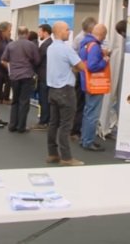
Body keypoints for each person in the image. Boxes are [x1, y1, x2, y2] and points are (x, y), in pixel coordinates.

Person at [46, 22, 85, 166]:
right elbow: (81, 66)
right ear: (58, 32)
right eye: (67, 29)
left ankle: (52, 154)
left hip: (53, 91)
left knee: (53, 124)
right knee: (65, 126)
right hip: (65, 91)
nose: (69, 32)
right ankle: (67, 158)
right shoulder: (66, 49)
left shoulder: (51, 48)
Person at [1, 26, 40, 133]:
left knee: (15, 101)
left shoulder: (11, 44)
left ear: (18, 34)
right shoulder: (31, 45)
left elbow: (3, 60)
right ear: (27, 34)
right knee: (24, 102)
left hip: (14, 76)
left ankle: (12, 125)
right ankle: (21, 127)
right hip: (26, 75)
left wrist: (11, 69)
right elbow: (37, 60)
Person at [79, 24, 110, 151]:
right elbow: (92, 66)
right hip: (95, 84)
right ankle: (88, 141)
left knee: (87, 113)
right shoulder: (95, 46)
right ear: (102, 34)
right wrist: (105, 61)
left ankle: (85, 139)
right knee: (92, 114)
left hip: (86, 82)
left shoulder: (85, 44)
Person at [70, 16, 97, 141]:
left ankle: (77, 129)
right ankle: (75, 130)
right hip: (82, 74)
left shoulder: (80, 38)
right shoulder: (82, 39)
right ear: (90, 28)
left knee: (82, 103)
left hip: (82, 73)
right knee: (80, 103)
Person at [31, 24, 53, 131]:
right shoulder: (48, 43)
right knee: (45, 99)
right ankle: (46, 120)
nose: (38, 34)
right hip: (46, 75)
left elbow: (38, 60)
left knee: (44, 99)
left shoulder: (46, 44)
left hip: (44, 76)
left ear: (45, 32)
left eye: (40, 32)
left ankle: (44, 122)